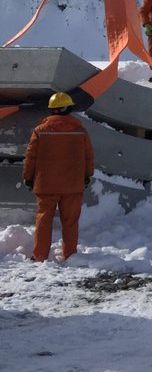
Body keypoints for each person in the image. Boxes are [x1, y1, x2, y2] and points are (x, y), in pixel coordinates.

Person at [22, 92, 94, 262]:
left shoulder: (40, 131)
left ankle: (39, 256)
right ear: (69, 108)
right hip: (72, 185)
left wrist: (28, 177)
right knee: (70, 222)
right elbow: (88, 155)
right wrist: (87, 175)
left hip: (46, 185)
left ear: (52, 110)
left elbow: (30, 156)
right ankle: (70, 255)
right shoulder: (80, 130)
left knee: (43, 220)